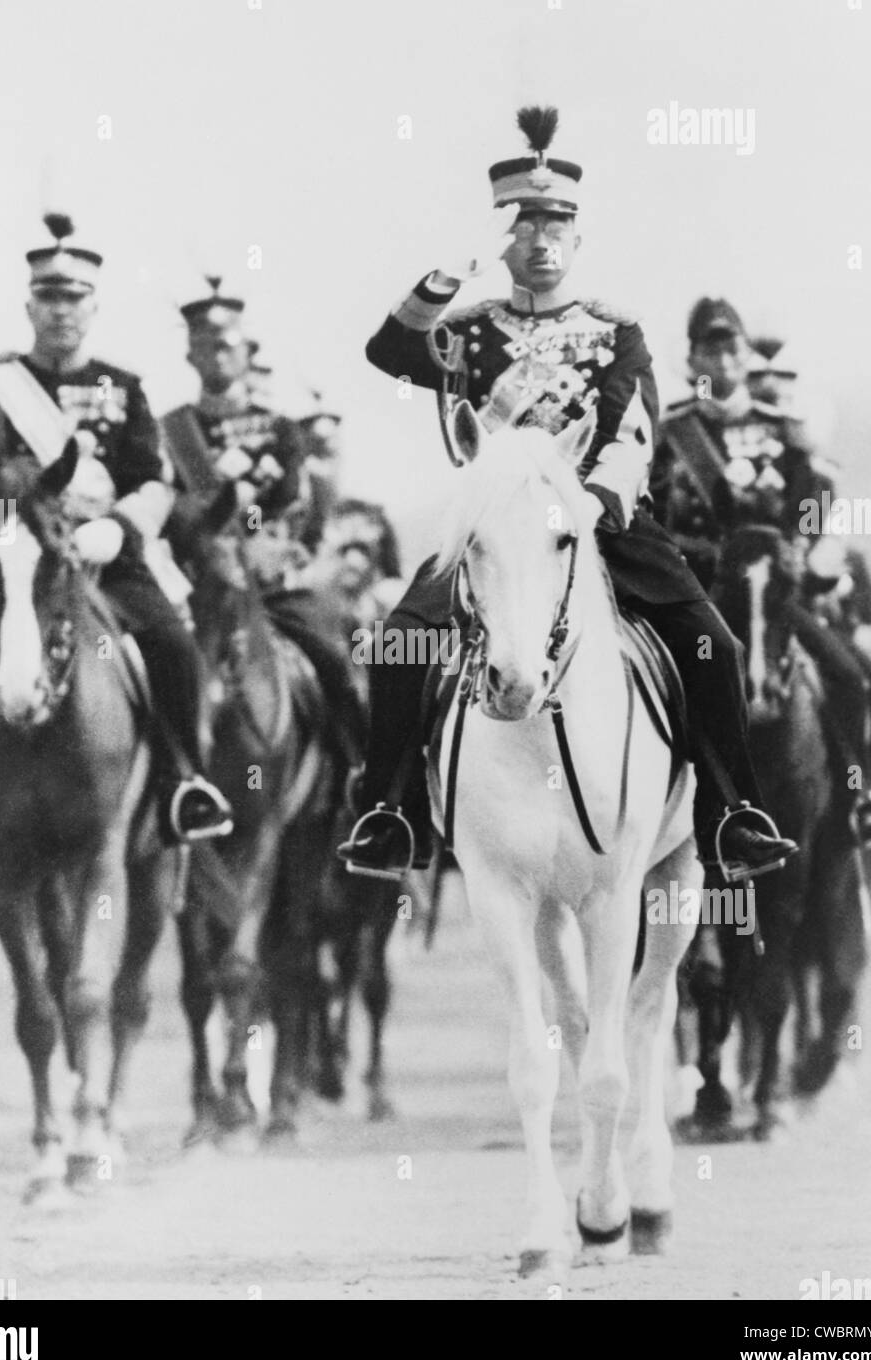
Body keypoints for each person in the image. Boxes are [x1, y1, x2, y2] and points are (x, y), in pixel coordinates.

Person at [337, 106, 796, 881]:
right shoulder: (470, 331)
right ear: (502, 239)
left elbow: (632, 430)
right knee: (397, 647)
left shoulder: (615, 333)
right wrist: (445, 275)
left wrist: (590, 506)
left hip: (600, 524)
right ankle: (391, 814)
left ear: (577, 240)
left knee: (713, 643)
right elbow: (389, 350)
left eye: (556, 227)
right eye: (523, 226)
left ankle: (731, 814)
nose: (541, 241)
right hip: (492, 530)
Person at [0, 214, 232, 852]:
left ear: (93, 306)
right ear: (29, 304)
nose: (60, 311)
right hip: (9, 556)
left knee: (175, 650)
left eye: (73, 298)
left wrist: (120, 529)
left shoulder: (123, 387)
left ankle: (184, 786)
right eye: (48, 297)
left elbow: (152, 481)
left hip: (104, 555)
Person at [652, 302, 871, 845]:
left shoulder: (784, 432)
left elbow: (812, 504)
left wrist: (798, 551)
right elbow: (648, 517)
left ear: (746, 357)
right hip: (697, 595)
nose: (723, 360)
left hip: (770, 596)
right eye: (710, 349)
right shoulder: (670, 434)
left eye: (732, 348)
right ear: (690, 357)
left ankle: (863, 797)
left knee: (851, 678)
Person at [160, 280, 366, 767]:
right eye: (204, 347)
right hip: (193, 582)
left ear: (245, 353)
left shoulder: (280, 429)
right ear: (190, 356)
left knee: (335, 660)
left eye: (227, 346)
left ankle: (361, 776)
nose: (217, 357)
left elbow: (290, 500)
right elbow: (165, 504)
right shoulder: (170, 430)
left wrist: (252, 529)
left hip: (270, 585)